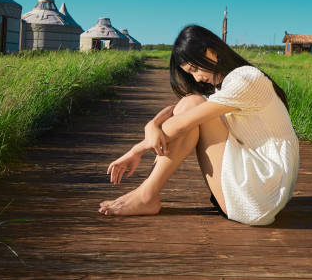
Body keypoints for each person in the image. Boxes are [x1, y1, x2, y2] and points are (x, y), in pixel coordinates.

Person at [98, 25, 299, 225]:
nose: (196, 78)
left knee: (193, 104)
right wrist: (152, 125)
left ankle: (146, 195)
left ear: (211, 52)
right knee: (190, 102)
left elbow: (183, 121)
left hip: (260, 196)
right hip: (259, 190)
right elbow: (177, 109)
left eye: (194, 69)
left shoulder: (246, 79)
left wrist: (137, 149)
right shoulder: (229, 84)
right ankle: (147, 194)